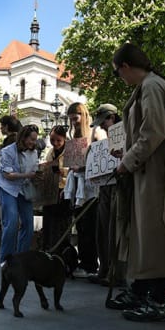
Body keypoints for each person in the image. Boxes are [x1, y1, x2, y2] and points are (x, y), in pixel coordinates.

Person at [107, 42, 165, 322]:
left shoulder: (152, 87)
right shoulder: (150, 86)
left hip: (157, 175)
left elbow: (153, 132)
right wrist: (127, 154)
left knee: (157, 237)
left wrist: (127, 162)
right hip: (149, 173)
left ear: (126, 67)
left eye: (120, 73)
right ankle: (141, 291)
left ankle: (156, 300)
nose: (122, 78)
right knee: (145, 237)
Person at [89, 104, 124, 287]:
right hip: (104, 185)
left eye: (104, 123)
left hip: (119, 187)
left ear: (112, 117)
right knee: (102, 228)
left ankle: (116, 272)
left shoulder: (124, 132)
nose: (102, 127)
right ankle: (104, 268)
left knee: (114, 229)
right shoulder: (106, 138)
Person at [0, 124, 40, 263]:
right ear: (23, 137)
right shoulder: (7, 151)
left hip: (23, 188)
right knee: (12, 221)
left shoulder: (33, 152)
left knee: (28, 223)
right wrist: (29, 175)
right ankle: (6, 259)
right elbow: (8, 175)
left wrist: (38, 175)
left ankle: (21, 259)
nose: (33, 143)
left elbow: (34, 169)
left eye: (35, 140)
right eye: (31, 139)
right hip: (8, 187)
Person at [63, 102, 98, 279]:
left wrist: (82, 168)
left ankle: (90, 263)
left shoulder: (94, 132)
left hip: (90, 188)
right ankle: (86, 262)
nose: (73, 123)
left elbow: (100, 156)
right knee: (82, 227)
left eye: (75, 119)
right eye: (71, 120)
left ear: (83, 116)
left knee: (89, 227)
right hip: (77, 187)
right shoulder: (73, 135)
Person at [37, 124, 69, 252]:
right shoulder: (50, 152)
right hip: (50, 191)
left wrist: (62, 171)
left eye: (58, 140)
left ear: (64, 139)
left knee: (62, 223)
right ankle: (48, 248)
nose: (55, 143)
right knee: (49, 222)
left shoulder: (70, 151)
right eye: (52, 140)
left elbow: (74, 170)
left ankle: (62, 250)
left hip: (64, 190)